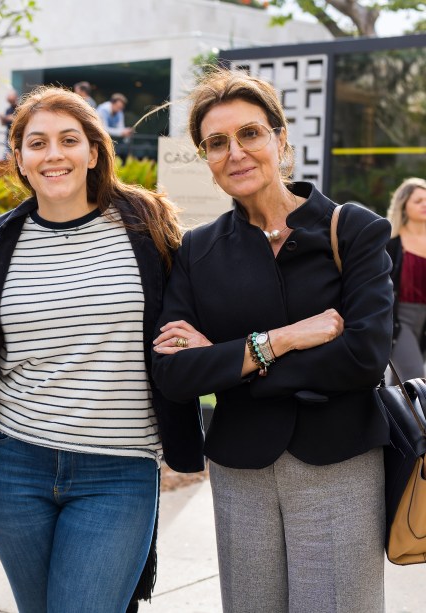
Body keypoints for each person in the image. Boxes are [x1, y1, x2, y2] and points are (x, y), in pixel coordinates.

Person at [151, 68, 392, 612]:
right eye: (216, 143)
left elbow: (364, 356)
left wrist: (227, 361)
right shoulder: (198, 250)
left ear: (280, 140)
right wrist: (280, 342)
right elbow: (173, 372)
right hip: (242, 471)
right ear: (206, 159)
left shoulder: (351, 230)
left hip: (339, 463)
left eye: (250, 134)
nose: (235, 152)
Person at [0, 86, 204, 612]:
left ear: (94, 152)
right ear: (20, 159)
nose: (54, 154)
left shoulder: (146, 225)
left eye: (69, 140)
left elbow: (201, 299)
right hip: (11, 465)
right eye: (37, 143)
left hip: (117, 470)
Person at [386, 177, 426, 382]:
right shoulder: (391, 243)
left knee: (401, 384)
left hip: (424, 318)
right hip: (401, 319)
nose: (424, 205)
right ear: (404, 205)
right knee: (415, 377)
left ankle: (395, 415)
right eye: (418, 201)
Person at [0, 89, 18, 155]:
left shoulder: (19, 107)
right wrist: (2, 119)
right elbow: (3, 123)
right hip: (9, 136)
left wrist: (7, 117)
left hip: (17, 137)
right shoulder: (8, 109)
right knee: (7, 156)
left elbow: (16, 119)